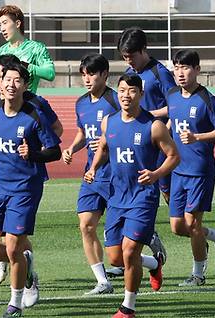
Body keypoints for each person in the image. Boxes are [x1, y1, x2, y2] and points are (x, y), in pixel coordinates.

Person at [84, 74, 178, 318]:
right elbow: (104, 147)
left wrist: (156, 174)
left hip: (143, 198)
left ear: (141, 94)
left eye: (132, 91)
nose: (126, 95)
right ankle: (154, 264)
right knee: (116, 258)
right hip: (116, 196)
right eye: (122, 90)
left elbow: (174, 156)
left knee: (129, 250)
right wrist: (93, 168)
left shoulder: (153, 125)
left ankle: (128, 307)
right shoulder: (109, 122)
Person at [0, 62, 61, 317]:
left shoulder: (34, 115)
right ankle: (25, 265)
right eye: (6, 80)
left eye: (17, 81)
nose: (10, 85)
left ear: (25, 86)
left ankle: (15, 303)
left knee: (13, 247)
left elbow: (54, 150)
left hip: (24, 188)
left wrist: (33, 153)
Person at [105, 27, 173, 278]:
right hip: (134, 142)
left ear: (144, 50)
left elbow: (174, 105)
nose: (128, 61)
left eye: (131, 55)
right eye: (124, 57)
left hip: (156, 141)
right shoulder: (129, 75)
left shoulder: (160, 73)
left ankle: (147, 231)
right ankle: (147, 238)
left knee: (173, 207)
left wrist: (153, 122)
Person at [166, 49, 215, 286]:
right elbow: (171, 120)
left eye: (185, 68)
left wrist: (198, 137)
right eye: (177, 67)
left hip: (200, 170)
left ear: (197, 70)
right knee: (177, 227)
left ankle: (198, 275)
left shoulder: (207, 99)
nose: (180, 73)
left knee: (193, 223)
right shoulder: (171, 95)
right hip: (177, 170)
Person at [62, 53, 120, 295]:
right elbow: (83, 132)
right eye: (83, 74)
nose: (87, 79)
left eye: (92, 74)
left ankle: (152, 257)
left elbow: (129, 130)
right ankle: (102, 281)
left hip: (116, 174)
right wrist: (72, 148)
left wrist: (109, 142)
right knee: (86, 225)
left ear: (105, 75)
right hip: (92, 174)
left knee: (118, 251)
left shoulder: (116, 100)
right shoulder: (81, 103)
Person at [0, 4, 55, 94]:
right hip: (3, 104)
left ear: (17, 23)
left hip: (28, 103)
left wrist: (26, 66)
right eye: (0, 25)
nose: (2, 29)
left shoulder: (36, 48)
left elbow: (50, 74)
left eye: (5, 23)